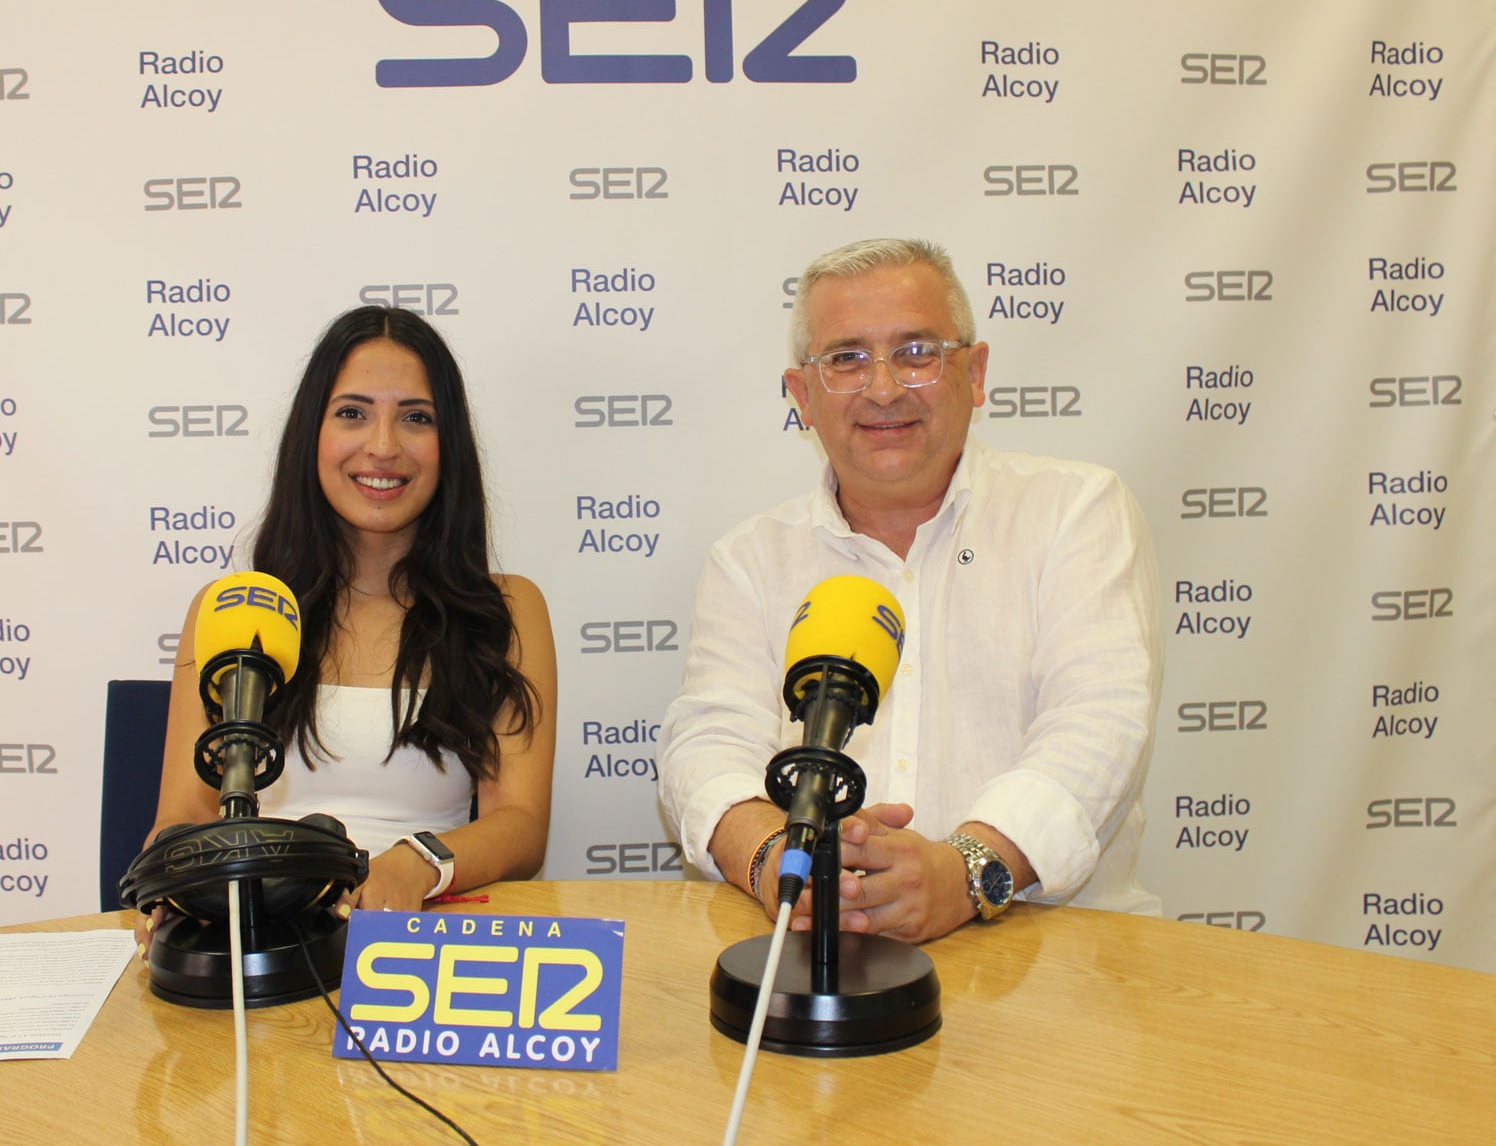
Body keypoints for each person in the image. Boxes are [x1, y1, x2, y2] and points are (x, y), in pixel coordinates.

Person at [658, 238, 1162, 944]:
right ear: (802, 396)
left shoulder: (1076, 511)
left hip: (1055, 953)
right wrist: (780, 862)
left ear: (976, 373)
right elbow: (706, 751)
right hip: (818, 954)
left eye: (917, 352)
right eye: (847, 359)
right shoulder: (749, 559)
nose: (885, 388)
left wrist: (963, 872)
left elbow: (1097, 729)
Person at [138, 307, 556, 945]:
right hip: (257, 946)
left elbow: (521, 825)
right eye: (353, 412)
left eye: (416, 417)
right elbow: (185, 813)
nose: (383, 445)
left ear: (451, 448)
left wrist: (418, 862)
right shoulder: (231, 609)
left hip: (420, 938)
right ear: (313, 433)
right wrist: (171, 882)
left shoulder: (507, 610)